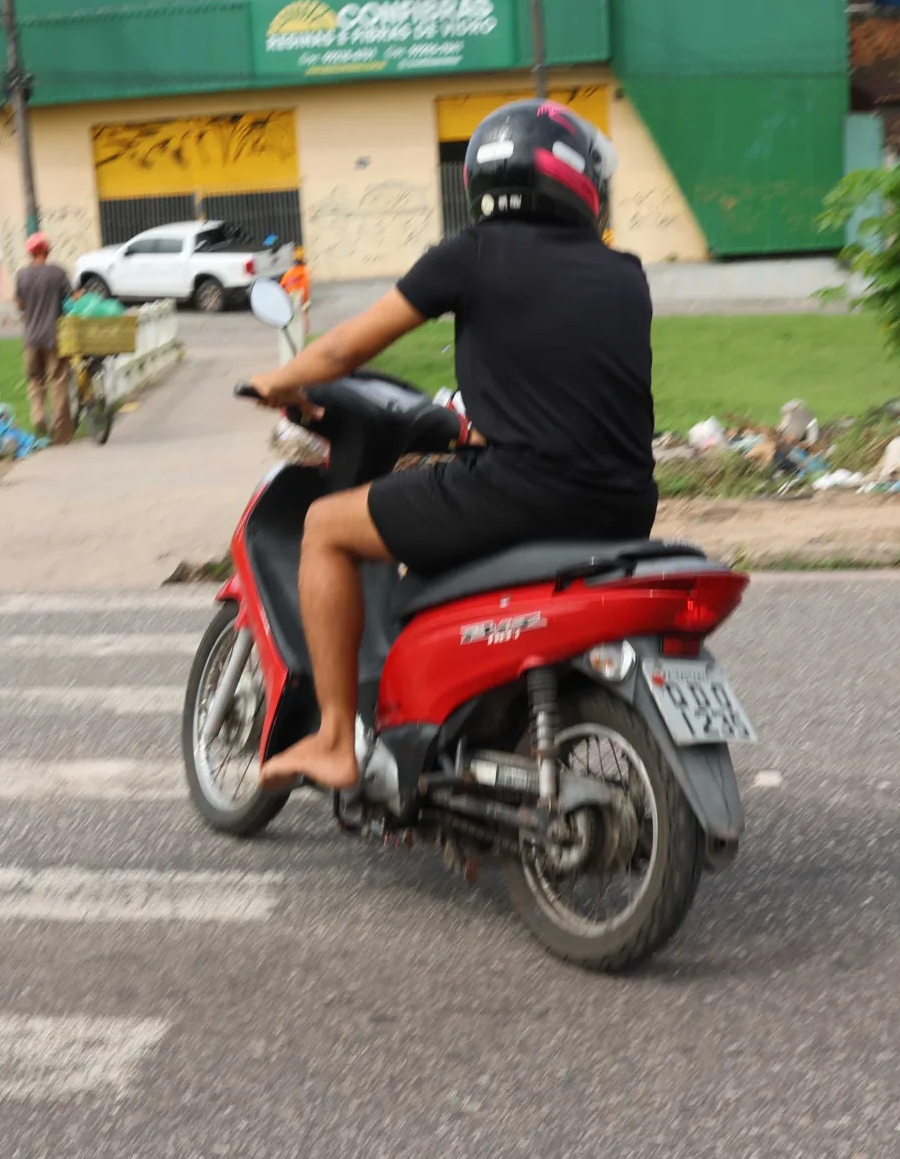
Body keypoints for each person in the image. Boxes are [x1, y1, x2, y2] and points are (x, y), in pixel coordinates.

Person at [243, 100, 654, 793]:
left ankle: (335, 737)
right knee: (421, 515)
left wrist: (274, 379)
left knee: (324, 526)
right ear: (573, 180)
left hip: (521, 493)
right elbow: (574, 382)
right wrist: (478, 427)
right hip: (624, 504)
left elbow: (345, 347)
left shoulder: (473, 253)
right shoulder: (625, 272)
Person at [14, 231, 75, 445]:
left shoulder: (21, 275)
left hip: (30, 339)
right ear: (47, 250)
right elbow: (73, 297)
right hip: (53, 337)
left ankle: (39, 417)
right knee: (58, 382)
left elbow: (19, 304)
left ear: (30, 253)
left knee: (35, 381)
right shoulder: (57, 273)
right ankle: (62, 434)